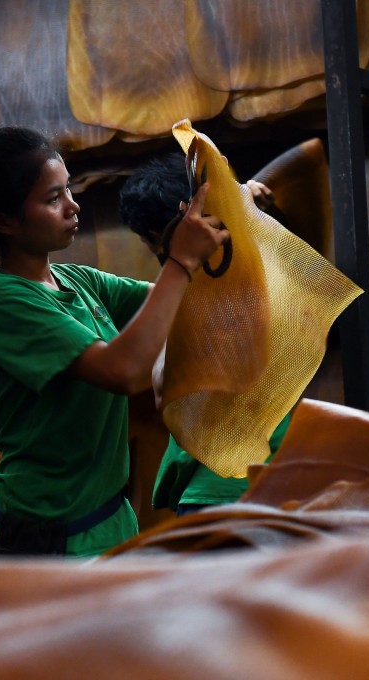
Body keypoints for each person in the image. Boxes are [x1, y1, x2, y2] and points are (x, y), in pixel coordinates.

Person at [0, 127, 228, 557]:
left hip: (109, 520)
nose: (73, 206)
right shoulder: (2, 302)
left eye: (68, 189)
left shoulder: (75, 281)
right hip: (45, 544)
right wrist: (182, 259)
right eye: (53, 199)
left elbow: (180, 304)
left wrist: (229, 213)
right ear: (3, 221)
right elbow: (123, 371)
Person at [118, 151, 292, 516]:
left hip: (217, 490)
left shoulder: (193, 294)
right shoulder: (274, 262)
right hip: (287, 476)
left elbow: (166, 389)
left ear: (155, 236)